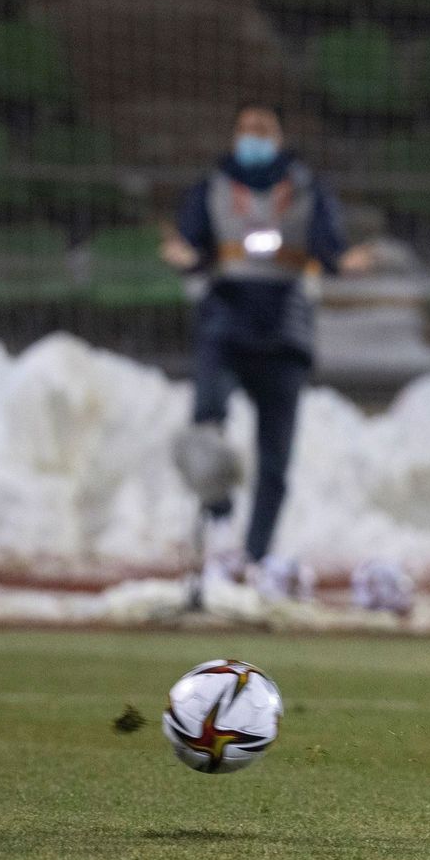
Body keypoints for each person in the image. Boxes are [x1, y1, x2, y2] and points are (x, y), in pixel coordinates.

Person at [160, 102, 370, 596]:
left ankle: (254, 557)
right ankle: (216, 508)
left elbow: (328, 245)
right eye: (246, 128)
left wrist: (344, 261)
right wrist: (183, 256)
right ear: (234, 136)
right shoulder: (211, 187)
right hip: (226, 322)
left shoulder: (306, 189)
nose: (254, 136)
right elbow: (190, 243)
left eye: (264, 128)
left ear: (279, 135)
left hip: (283, 330)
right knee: (206, 422)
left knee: (275, 458)